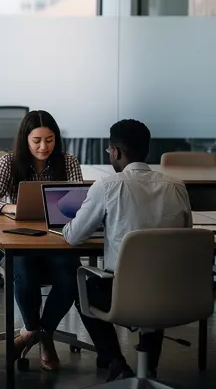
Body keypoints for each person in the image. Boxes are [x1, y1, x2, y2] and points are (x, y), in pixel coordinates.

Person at [64, 119, 192, 381]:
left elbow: (74, 237)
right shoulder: (177, 187)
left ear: (115, 152)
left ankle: (117, 365)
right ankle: (150, 369)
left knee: (83, 289)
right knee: (157, 275)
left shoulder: (108, 186)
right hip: (174, 293)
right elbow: (185, 238)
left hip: (123, 295)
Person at [0, 109, 83, 371]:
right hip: (20, 240)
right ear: (25, 139)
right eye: (36, 140)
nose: (43, 146)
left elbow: (80, 201)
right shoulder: (8, 162)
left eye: (49, 140)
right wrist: (11, 208)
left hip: (57, 238)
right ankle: (40, 334)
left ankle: (36, 333)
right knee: (23, 271)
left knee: (70, 276)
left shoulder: (68, 161)